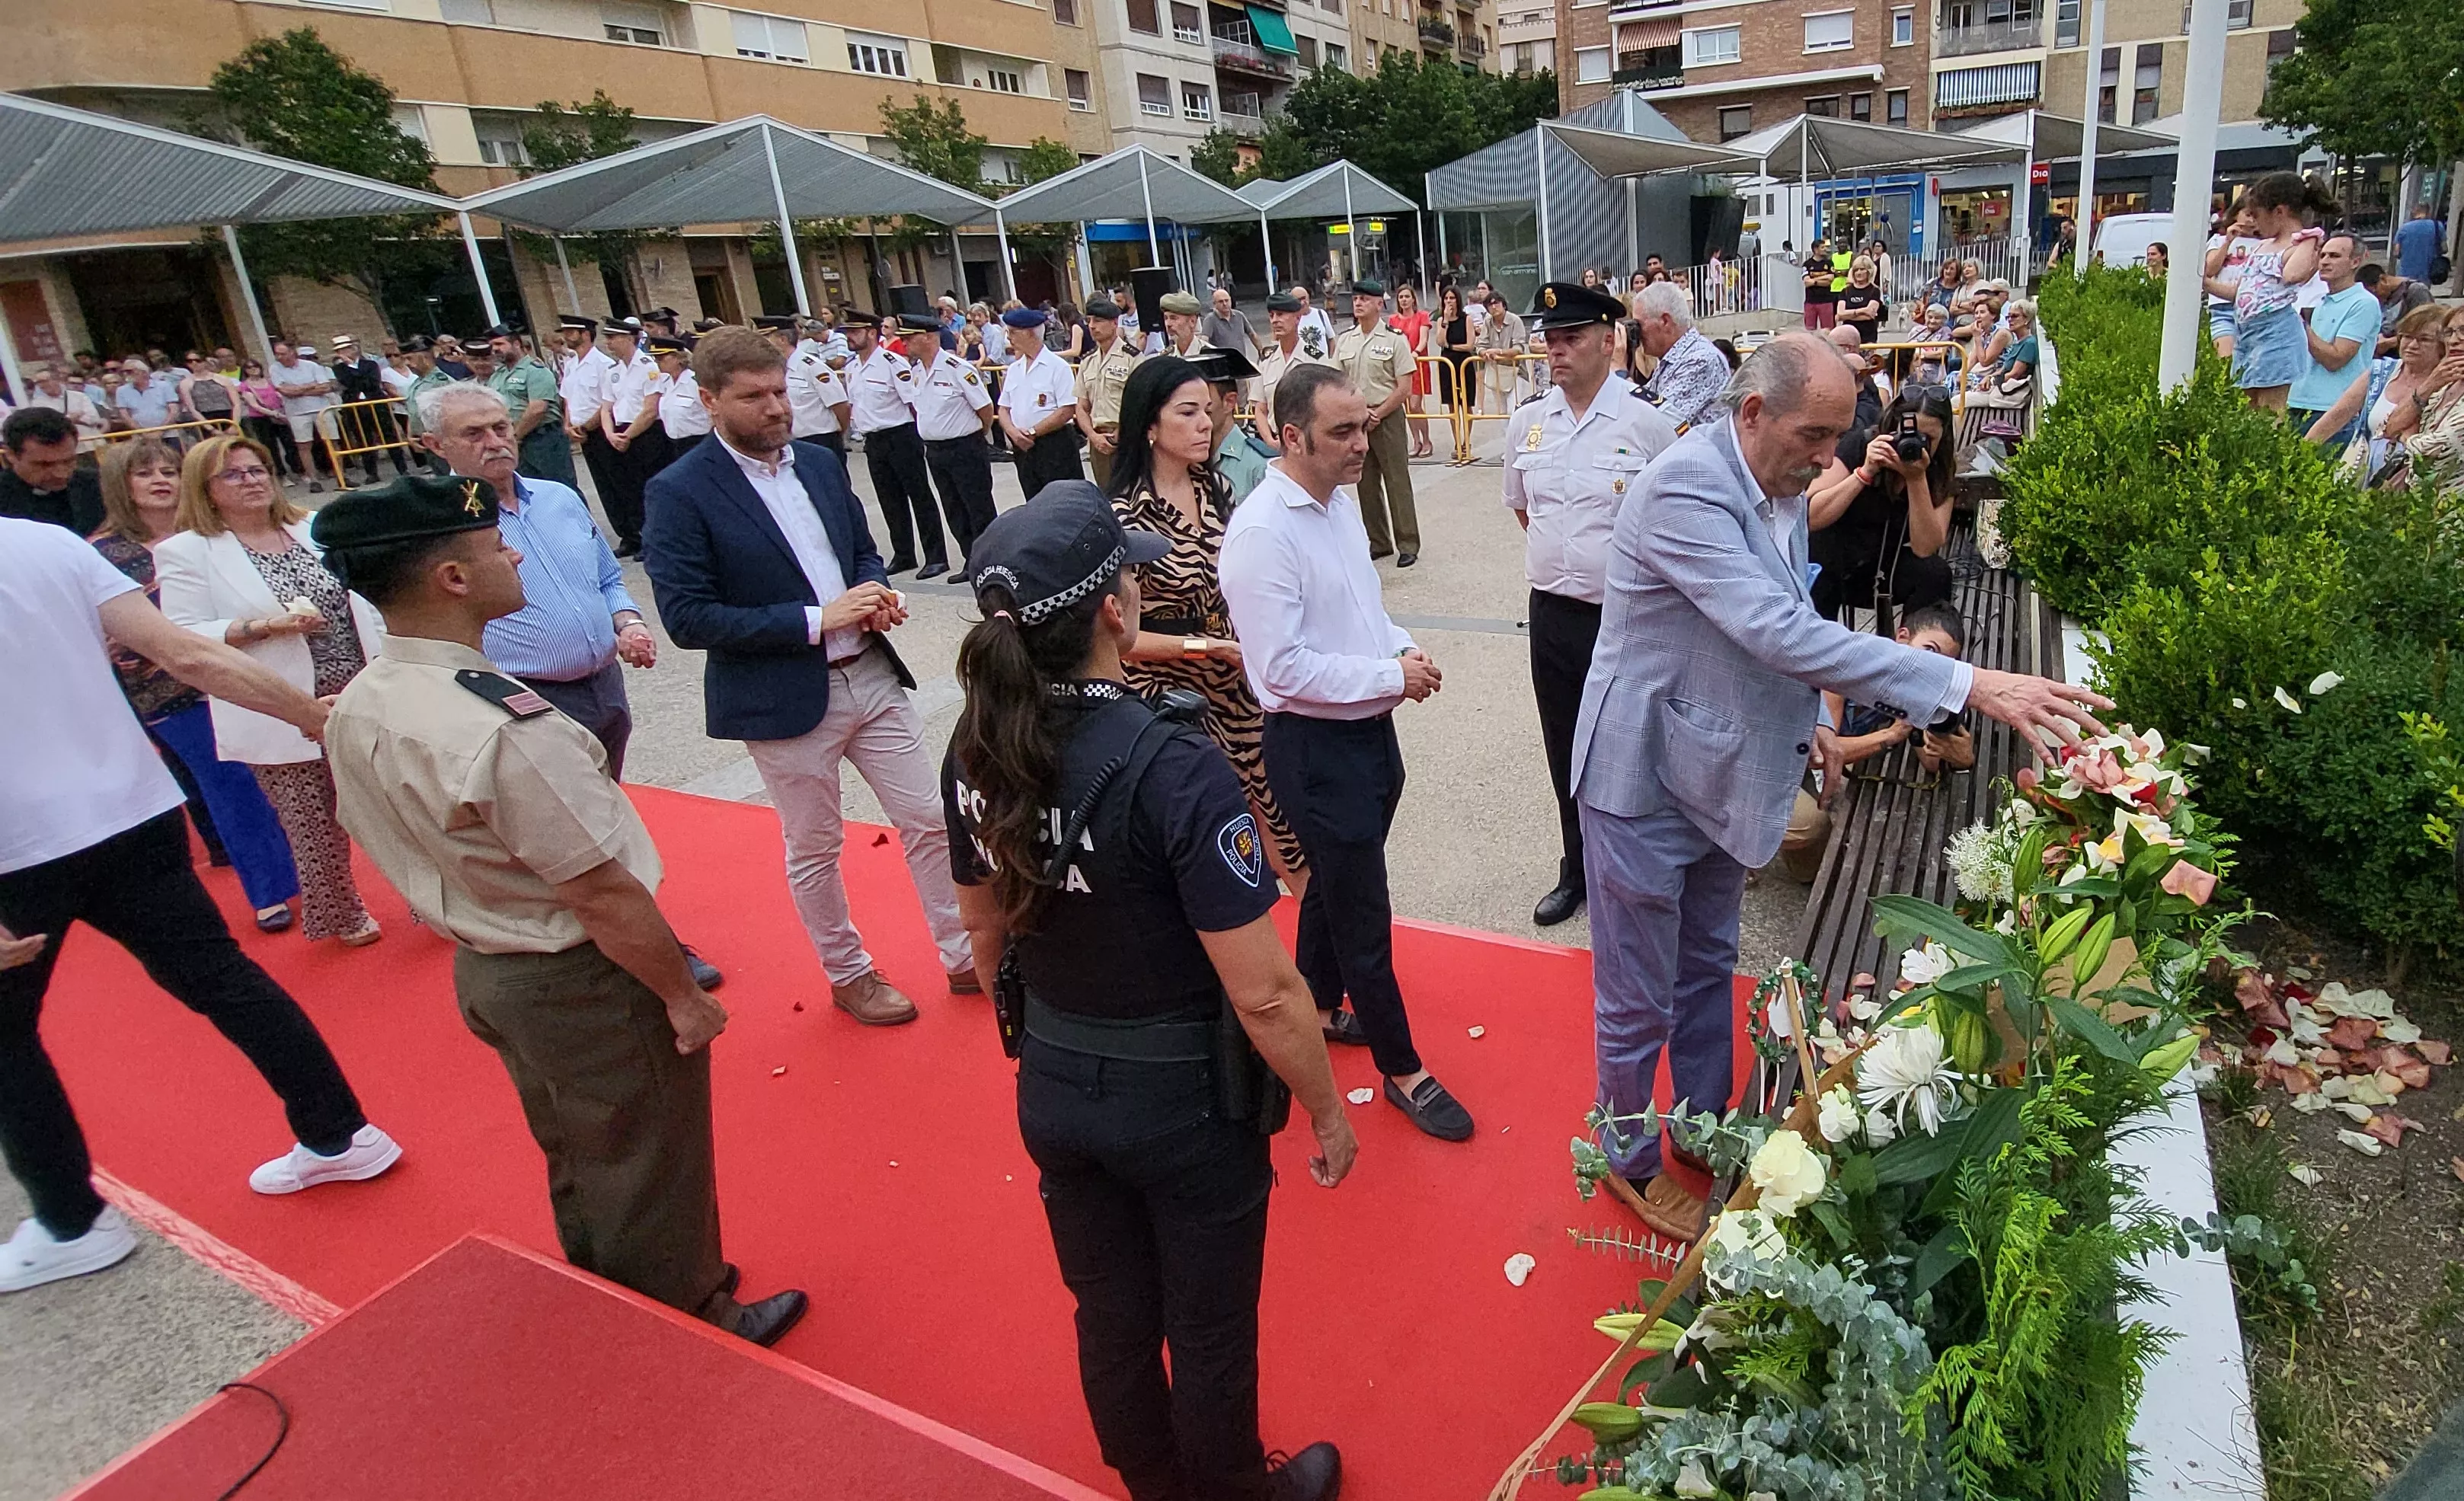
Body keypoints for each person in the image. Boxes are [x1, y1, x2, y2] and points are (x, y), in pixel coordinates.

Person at [1571, 333, 2109, 1240]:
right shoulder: (1686, 489)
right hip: (1644, 780)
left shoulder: (1772, 478)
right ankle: (1623, 1158)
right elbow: (1777, 630)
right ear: (1750, 413)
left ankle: (1701, 1127)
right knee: (1636, 994)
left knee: (1706, 965)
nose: (1831, 456)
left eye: (1839, 435)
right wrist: (1967, 684)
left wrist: (1813, 720)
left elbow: (1779, 617)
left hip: (1722, 766)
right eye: (1815, 435)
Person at [309, 474, 801, 1346]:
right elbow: (601, 890)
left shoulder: (369, 698)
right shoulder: (501, 726)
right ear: (450, 579)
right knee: (648, 1151)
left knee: (581, 1146)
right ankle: (690, 1312)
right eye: (494, 544)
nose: (512, 551)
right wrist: (682, 998)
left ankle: (609, 1286)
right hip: (576, 974)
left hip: (488, 963)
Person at [941, 485, 1352, 1501]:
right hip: (1181, 1098)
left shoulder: (976, 745)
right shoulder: (1173, 766)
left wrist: (1042, 1046)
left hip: (1056, 1072)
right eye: (1128, 575)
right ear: (1112, 612)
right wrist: (1325, 1105)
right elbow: (1263, 991)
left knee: (1108, 1306)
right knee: (1206, 1320)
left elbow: (984, 931)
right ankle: (1227, 1484)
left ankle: (1150, 1475)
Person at [0, 510, 403, 1295]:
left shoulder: (48, 544)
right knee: (223, 981)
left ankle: (70, 1221)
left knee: (8, 1042)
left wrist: (312, 717)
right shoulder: (46, 543)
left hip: (20, 849)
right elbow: (185, 652)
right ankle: (338, 1133)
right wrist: (309, 715)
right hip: (132, 811)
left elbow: (186, 651)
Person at [644, 327, 975, 1022]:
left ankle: (965, 952)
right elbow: (687, 617)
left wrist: (875, 595)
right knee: (816, 844)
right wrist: (817, 618)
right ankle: (848, 971)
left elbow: (861, 553)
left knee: (930, 820)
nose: (775, 407)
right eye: (753, 396)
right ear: (709, 401)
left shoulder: (821, 466)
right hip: (782, 696)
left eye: (780, 390)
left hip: (871, 674)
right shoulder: (680, 491)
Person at [1219, 363, 1472, 1142]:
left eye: (1364, 426)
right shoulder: (1262, 532)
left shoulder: (1333, 503)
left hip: (1367, 733)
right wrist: (1389, 675)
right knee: (1363, 909)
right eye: (1342, 432)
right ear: (1290, 436)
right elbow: (1281, 672)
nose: (1362, 443)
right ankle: (1403, 1069)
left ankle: (1319, 1003)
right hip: (1316, 748)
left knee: (1332, 886)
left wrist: (1401, 650)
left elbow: (1361, 609)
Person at [155, 434, 385, 947]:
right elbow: (184, 632)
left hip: (360, 687)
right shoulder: (187, 552)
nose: (252, 480)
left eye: (258, 468)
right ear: (206, 489)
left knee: (396, 803)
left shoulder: (309, 527)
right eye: (234, 474)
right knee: (312, 821)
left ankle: (431, 901)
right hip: (278, 706)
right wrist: (262, 627)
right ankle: (341, 913)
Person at [1503, 283, 1679, 929]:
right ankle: (1576, 868)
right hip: (1552, 615)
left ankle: (1634, 872)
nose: (1557, 350)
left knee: (1633, 748)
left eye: (1571, 337)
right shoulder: (1529, 421)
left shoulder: (1647, 423)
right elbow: (1526, 510)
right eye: (1550, 338)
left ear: (1610, 340)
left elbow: (1672, 522)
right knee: (1564, 747)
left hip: (1627, 617)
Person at [1106, 353, 1307, 893]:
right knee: (1222, 828)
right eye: (1187, 412)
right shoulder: (1123, 517)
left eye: (1208, 410)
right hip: (1170, 695)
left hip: (1237, 678)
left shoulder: (1215, 489)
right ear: (1149, 425)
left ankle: (1326, 951)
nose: (1205, 422)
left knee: (1286, 821)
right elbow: (1121, 638)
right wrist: (1203, 648)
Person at [91, 438, 302, 934]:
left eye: (169, 470)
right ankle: (269, 891)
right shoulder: (102, 553)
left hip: (235, 667)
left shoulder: (209, 535)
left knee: (272, 774)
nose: (161, 480)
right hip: (164, 689)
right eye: (145, 474)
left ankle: (303, 870)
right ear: (120, 487)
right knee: (227, 781)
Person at [1775, 606, 1977, 880]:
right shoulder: (1844, 665)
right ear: (1903, 637)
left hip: (1801, 758)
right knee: (1812, 826)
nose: (1932, 668)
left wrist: (1960, 758)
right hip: (1769, 751)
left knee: (1811, 873)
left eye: (1943, 664)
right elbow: (1824, 753)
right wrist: (1889, 736)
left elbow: (1930, 759)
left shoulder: (1908, 683)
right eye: (1930, 651)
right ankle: (1727, 837)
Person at [1807, 382, 1957, 622]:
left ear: (1943, 437)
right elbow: (1810, 517)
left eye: (1928, 438)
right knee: (1818, 562)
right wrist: (1864, 473)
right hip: (1830, 561)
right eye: (1909, 434)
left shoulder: (1941, 470)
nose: (1916, 443)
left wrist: (1917, 480)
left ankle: (1915, 649)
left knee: (1935, 574)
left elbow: (1925, 547)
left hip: (1883, 566)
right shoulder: (1861, 444)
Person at [2204, 175, 2334, 411]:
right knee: (2247, 407)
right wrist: (2205, 284)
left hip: (2276, 334)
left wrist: (2308, 240)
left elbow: (2293, 274)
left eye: (2257, 215)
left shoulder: (2297, 246)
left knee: (2270, 410)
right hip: (2247, 334)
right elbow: (2242, 292)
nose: (2253, 223)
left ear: (2279, 212)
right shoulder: (2263, 246)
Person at [842, 308, 950, 580]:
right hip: (874, 440)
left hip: (901, 436)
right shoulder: (852, 368)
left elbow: (914, 404)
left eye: (855, 332)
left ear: (871, 333)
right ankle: (904, 554)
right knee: (889, 500)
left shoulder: (892, 363)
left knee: (919, 496)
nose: (850, 338)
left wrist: (917, 436)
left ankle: (936, 556)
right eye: (847, 333)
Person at [2306, 304, 2450, 481]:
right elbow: (2337, 415)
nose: (2412, 345)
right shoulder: (2381, 371)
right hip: (2364, 470)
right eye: (2407, 336)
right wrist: (2302, 453)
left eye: (2424, 339)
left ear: (2443, 346)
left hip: (2418, 478)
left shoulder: (2448, 383)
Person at [1333, 279, 1421, 567]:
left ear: (1379, 304)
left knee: (1397, 480)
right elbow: (1338, 381)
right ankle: (1379, 541)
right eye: (1356, 299)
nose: (1358, 304)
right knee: (1365, 483)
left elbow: (1404, 386)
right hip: (1355, 420)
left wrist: (1379, 413)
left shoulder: (1394, 339)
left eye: (1365, 299)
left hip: (1387, 416)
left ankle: (1407, 542)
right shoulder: (1346, 340)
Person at [911, 316, 1000, 569]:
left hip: (964, 447)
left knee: (978, 507)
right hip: (936, 450)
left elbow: (984, 408)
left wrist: (975, 435)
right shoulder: (917, 371)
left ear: (928, 337)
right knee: (953, 508)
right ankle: (970, 560)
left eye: (910, 337)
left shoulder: (957, 368)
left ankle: (990, 562)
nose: (906, 342)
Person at [2290, 234, 2379, 443]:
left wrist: (2299, 324)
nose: (2325, 261)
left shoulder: (2364, 303)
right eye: (2322, 255)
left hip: (2334, 410)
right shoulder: (2322, 301)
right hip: (2297, 403)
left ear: (2355, 262)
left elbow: (2336, 359)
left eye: (2334, 256)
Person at [597, 321, 671, 558]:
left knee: (649, 487)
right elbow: (606, 408)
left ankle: (658, 540)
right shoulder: (614, 371)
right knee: (627, 489)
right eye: (607, 337)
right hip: (620, 432)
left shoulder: (648, 366)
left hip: (645, 433)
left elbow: (650, 409)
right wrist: (610, 434)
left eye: (613, 337)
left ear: (631, 338)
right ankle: (637, 538)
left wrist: (627, 436)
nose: (608, 343)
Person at [996, 307, 1085, 503]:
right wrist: (1012, 432)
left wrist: (1033, 432)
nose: (1009, 338)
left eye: (1013, 332)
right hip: (1023, 446)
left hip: (1053, 444)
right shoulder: (1014, 370)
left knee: (1064, 501)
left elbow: (1067, 409)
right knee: (1034, 501)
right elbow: (1003, 408)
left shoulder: (1057, 367)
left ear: (1029, 333)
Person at [1630, 282, 1727, 431]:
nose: (1637, 332)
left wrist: (1621, 372)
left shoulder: (1701, 360)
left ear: (1665, 321)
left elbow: (1654, 425)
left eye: (1639, 324)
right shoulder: (1672, 360)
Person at [485, 327, 574, 485]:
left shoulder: (535, 371)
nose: (495, 349)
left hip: (543, 439)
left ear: (517, 344)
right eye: (492, 345)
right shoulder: (497, 376)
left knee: (560, 488)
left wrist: (515, 436)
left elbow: (538, 409)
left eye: (500, 344)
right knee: (528, 489)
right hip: (515, 441)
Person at [756, 314, 852, 461]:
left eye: (766, 339)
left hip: (820, 440)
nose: (761, 345)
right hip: (791, 443)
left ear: (782, 340)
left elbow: (841, 406)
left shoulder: (811, 366)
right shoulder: (774, 370)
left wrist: (837, 435)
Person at [557, 315, 622, 525]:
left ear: (586, 334)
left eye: (571, 332)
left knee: (617, 482)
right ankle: (623, 532)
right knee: (602, 485)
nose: (566, 336)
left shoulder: (603, 364)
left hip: (601, 430)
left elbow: (607, 403)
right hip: (582, 433)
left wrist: (585, 427)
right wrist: (568, 425)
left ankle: (633, 531)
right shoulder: (571, 363)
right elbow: (568, 398)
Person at [1075, 296, 1141, 491]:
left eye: (1098, 321)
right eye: (1089, 321)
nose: (1092, 326)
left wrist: (1122, 433)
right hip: (1098, 441)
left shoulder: (1132, 358)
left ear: (1114, 323)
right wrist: (1092, 436)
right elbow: (1082, 406)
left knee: (1134, 495)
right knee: (1107, 496)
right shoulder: (1088, 362)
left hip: (1126, 440)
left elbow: (1139, 404)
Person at [2, 407, 104, 532]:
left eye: (68, 461)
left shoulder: (101, 485)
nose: (61, 474)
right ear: (11, 455)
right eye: (44, 465)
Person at [1195, 347, 1276, 506]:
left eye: (1207, 407)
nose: (1199, 416)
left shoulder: (1259, 465)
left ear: (1229, 402)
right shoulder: (1189, 459)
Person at [1251, 292, 1330, 453]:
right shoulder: (1267, 360)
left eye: (1281, 315)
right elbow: (1260, 408)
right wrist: (1269, 440)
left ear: (1298, 319)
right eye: (1272, 316)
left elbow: (1327, 403)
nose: (1275, 320)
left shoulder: (1315, 358)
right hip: (1276, 442)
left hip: (1308, 443)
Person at [328, 335, 408, 484]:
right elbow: (349, 383)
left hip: (376, 403)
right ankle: (372, 472)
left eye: (345, 349)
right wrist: (351, 368)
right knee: (363, 439)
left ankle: (402, 468)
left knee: (388, 434)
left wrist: (354, 370)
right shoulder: (339, 369)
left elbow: (372, 383)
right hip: (356, 407)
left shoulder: (370, 364)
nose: (343, 353)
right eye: (340, 350)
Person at [269, 340, 337, 493]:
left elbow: (325, 387)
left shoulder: (311, 366)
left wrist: (297, 390)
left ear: (292, 352)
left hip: (321, 408)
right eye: (277, 354)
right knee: (304, 445)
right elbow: (285, 391)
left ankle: (341, 475)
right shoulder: (275, 369)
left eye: (282, 353)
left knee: (332, 441)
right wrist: (310, 385)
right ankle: (313, 480)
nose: (279, 357)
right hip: (297, 412)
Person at [1386, 283, 1436, 458]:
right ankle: (1416, 441)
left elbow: (1423, 340)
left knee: (1416, 405)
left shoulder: (1422, 316)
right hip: (1400, 367)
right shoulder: (1393, 320)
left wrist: (1414, 353)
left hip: (1417, 365)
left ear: (1413, 299)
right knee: (1407, 407)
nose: (1404, 300)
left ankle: (1427, 439)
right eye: (1401, 297)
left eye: (1407, 296)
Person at [650, 335, 711, 462]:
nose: (657, 362)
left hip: (698, 441)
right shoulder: (665, 382)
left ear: (678, 358)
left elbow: (713, 412)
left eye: (661, 358)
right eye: (655, 358)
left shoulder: (694, 382)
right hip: (673, 444)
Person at [21, 362, 107, 450]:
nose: (41, 385)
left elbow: (94, 418)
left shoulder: (79, 396)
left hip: (93, 444)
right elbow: (46, 427)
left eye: (43, 381)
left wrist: (68, 420)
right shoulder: (37, 404)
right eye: (37, 383)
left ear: (56, 380)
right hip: (67, 449)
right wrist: (71, 418)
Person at [1424, 284, 1472, 436]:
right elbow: (1439, 341)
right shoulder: (1441, 321)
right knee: (1452, 405)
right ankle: (1457, 440)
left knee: (1466, 405)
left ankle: (1466, 441)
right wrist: (1445, 320)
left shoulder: (1466, 319)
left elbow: (1469, 345)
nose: (1449, 301)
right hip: (1447, 364)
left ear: (1458, 300)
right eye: (1446, 298)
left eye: (1452, 298)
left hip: (1464, 363)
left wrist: (1451, 346)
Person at [2360, 263, 2434, 356]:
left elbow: (2427, 329)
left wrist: (2390, 342)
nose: (2375, 298)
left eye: (2374, 292)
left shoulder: (2416, 291)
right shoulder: (2385, 298)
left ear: (2383, 280)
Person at [1475, 289, 1529, 417]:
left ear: (1504, 304)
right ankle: (1507, 437)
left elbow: (1519, 348)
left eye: (1497, 303)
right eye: (1490, 305)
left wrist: (1499, 352)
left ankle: (1519, 436)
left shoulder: (1515, 321)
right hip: (1497, 371)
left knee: (1514, 411)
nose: (1494, 307)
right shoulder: (1488, 322)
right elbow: (1480, 345)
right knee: (1502, 413)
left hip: (1516, 371)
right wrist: (1485, 353)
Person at [177, 353, 243, 439]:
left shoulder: (222, 379)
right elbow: (192, 408)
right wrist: (211, 429)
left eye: (198, 360)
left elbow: (236, 404)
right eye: (190, 361)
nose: (194, 363)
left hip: (228, 416)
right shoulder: (186, 383)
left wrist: (235, 424)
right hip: (205, 419)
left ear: (205, 362)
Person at [114, 358, 181, 435]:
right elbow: (124, 415)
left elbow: (174, 410)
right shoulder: (121, 390)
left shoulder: (164, 385)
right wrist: (142, 433)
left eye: (129, 371)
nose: (125, 375)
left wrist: (161, 431)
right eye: (123, 372)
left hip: (168, 433)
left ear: (144, 372)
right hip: (140, 436)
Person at [1836, 257, 1885, 344]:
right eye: (1856, 270)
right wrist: (1862, 311)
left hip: (1868, 337)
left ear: (1869, 271)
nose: (1859, 272)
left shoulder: (1874, 290)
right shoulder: (1846, 291)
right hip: (1848, 338)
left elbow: (1869, 315)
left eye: (1862, 269)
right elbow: (1840, 315)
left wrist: (1849, 314)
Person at [1201, 285, 1258, 361]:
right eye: (1221, 301)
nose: (1225, 304)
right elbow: (1205, 342)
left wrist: (1261, 350)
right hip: (1222, 363)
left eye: (1227, 300)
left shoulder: (1239, 315)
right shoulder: (1210, 319)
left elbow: (1252, 334)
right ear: (1214, 304)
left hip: (1241, 360)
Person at [2396, 201, 2443, 285]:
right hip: (2427, 272)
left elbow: (2396, 253)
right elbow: (2444, 248)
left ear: (2414, 212)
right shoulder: (2437, 226)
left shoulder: (2404, 228)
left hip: (2405, 272)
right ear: (2429, 212)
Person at [1288, 285, 1334, 359]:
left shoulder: (1321, 314)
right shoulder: (1291, 319)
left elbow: (1331, 339)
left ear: (1308, 297)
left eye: (1304, 298)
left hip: (1324, 365)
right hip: (1304, 365)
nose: (1303, 302)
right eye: (1299, 300)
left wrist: (1330, 359)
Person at [1801, 240, 1838, 331]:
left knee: (1828, 329)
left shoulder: (1829, 263)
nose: (1825, 249)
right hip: (1810, 301)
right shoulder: (1807, 264)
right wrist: (1823, 278)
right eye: (1822, 247)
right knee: (1810, 329)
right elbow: (1807, 282)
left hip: (1826, 301)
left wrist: (1814, 281)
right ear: (1816, 250)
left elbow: (1830, 279)